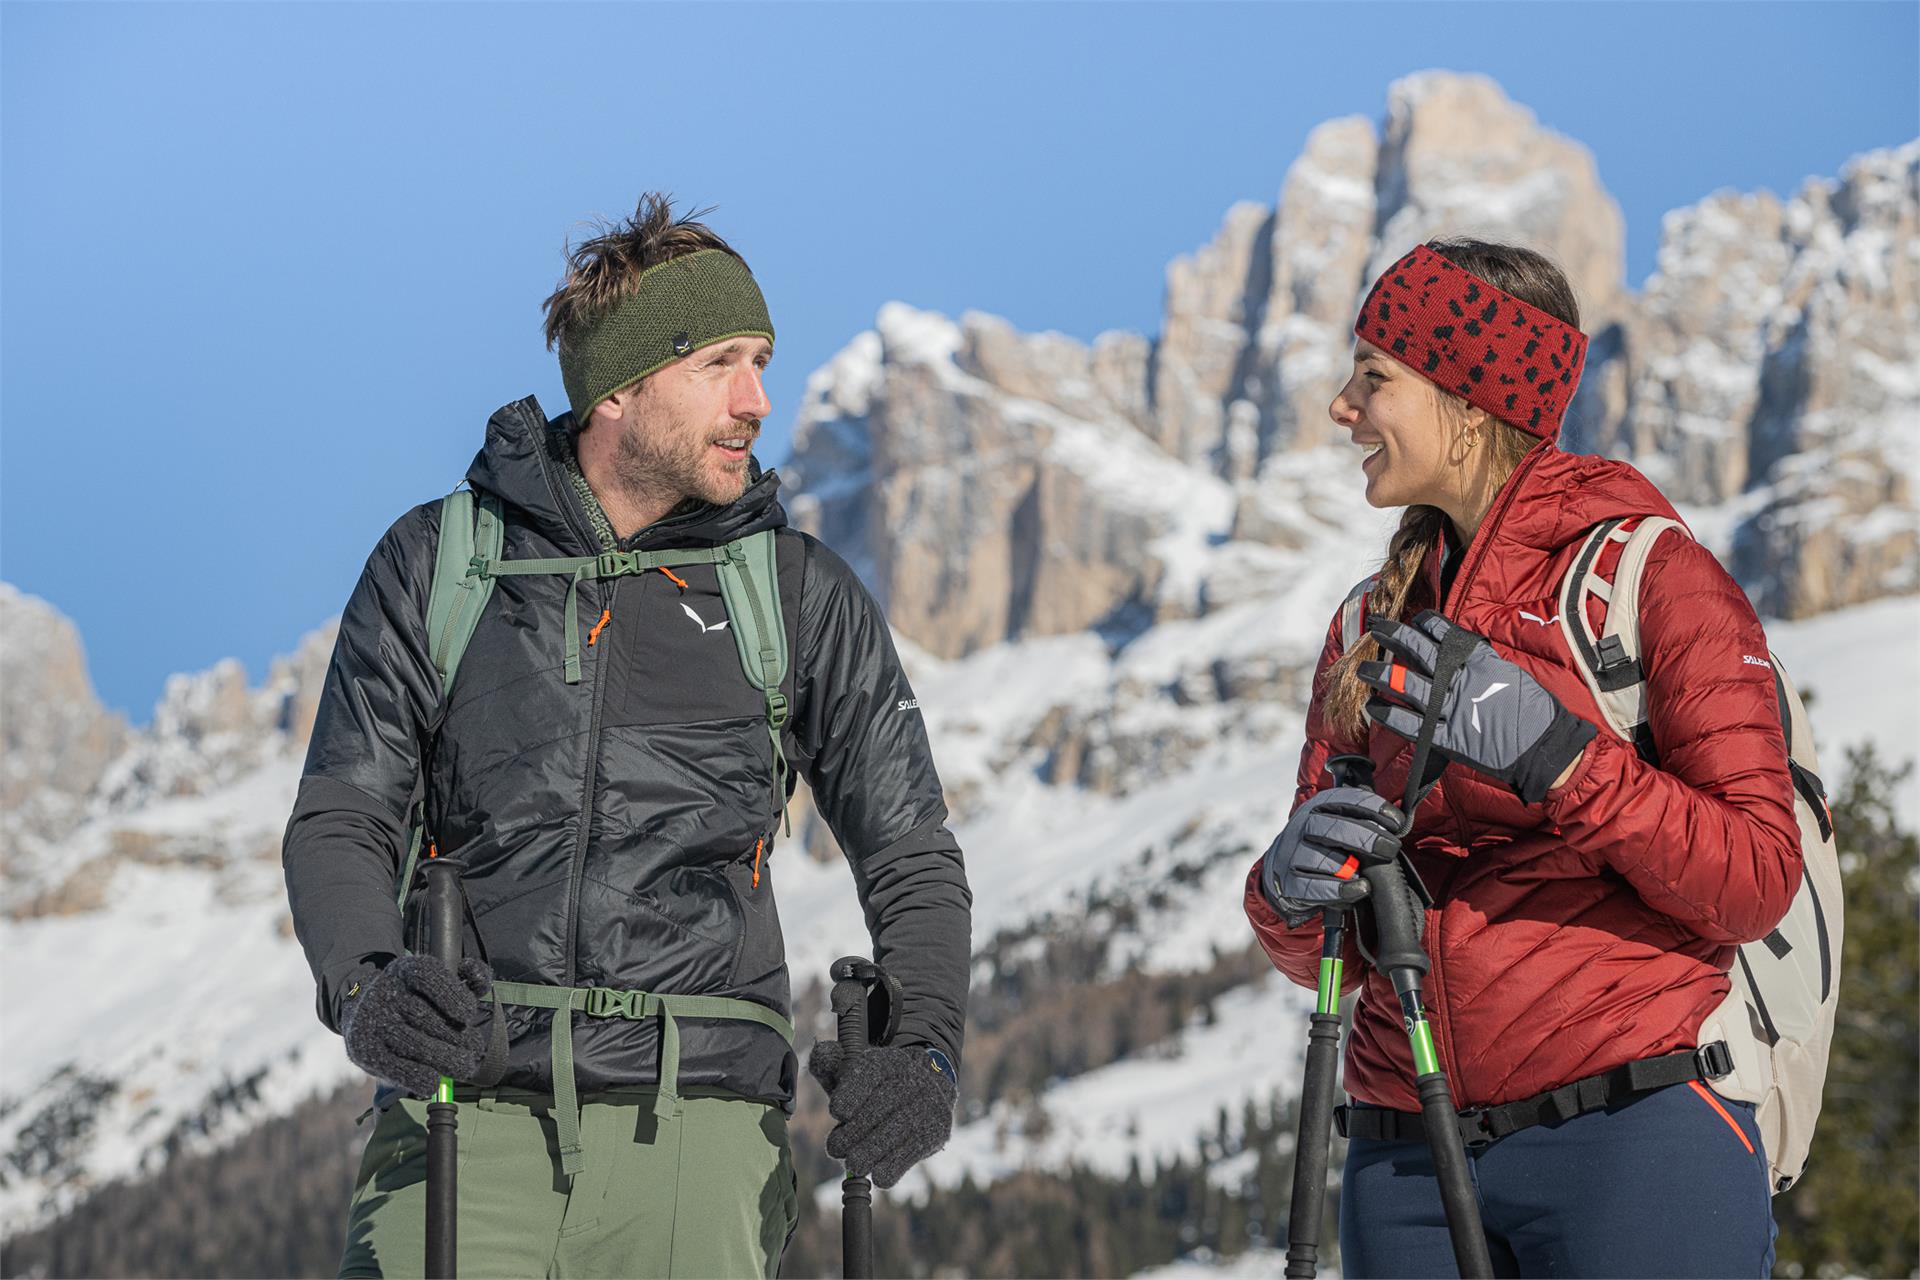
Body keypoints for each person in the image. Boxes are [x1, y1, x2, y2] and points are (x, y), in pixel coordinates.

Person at [284, 193, 972, 1279]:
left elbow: (909, 848)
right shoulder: (440, 565)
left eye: (764, 361)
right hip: (467, 1129)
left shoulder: (795, 595)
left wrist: (925, 1048)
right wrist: (369, 989)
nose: (758, 399)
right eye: (722, 364)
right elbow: (343, 814)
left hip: (698, 1144)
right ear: (620, 387)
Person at [1245, 240, 1802, 1277]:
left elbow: (1755, 878)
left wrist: (1559, 756)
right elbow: (1330, 952)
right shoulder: (1369, 624)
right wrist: (1287, 886)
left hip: (1631, 1136)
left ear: (1468, 397)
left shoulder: (1652, 579)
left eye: (1375, 377)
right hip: (1402, 1156)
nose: (1341, 405)